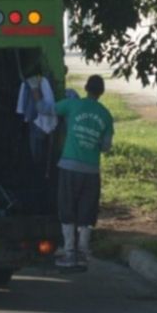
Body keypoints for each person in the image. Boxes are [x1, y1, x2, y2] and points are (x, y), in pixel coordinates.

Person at [53, 75, 114, 269]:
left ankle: (69, 251)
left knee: (67, 207)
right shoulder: (106, 115)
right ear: (101, 92)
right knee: (87, 210)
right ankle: (83, 250)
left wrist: (37, 92)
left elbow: (47, 110)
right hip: (91, 170)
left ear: (86, 88)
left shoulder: (73, 105)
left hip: (69, 167)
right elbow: (105, 147)